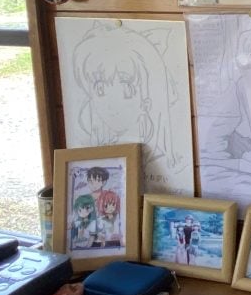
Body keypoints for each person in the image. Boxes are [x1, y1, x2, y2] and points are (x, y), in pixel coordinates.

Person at [72, 22, 179, 190]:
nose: (112, 103)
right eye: (100, 89)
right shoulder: (90, 151)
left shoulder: (172, 160)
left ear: (147, 100)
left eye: (127, 88)